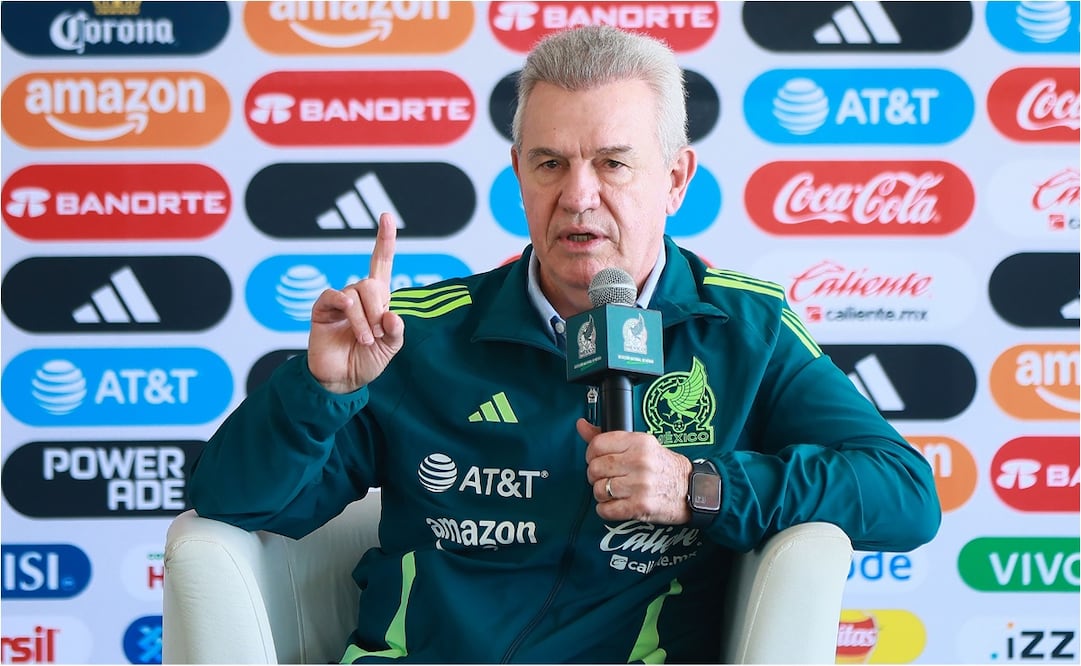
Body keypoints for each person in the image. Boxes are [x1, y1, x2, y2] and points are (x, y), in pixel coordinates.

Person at [188, 25, 941, 663]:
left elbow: (903, 495)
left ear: (675, 178)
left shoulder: (745, 330)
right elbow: (235, 503)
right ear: (518, 174)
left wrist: (700, 489)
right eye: (550, 163)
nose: (578, 195)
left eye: (613, 163)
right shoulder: (410, 335)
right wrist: (318, 391)